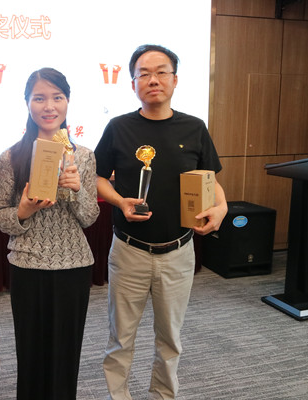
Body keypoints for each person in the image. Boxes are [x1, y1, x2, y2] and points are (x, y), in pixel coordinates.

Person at [94, 45, 228, 400]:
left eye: (161, 72)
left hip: (178, 253)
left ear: (175, 79)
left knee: (170, 339)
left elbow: (210, 179)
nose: (153, 80)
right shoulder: (118, 127)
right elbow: (98, 177)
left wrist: (222, 207)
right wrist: (120, 201)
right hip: (129, 251)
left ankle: (163, 396)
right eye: (144, 74)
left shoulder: (194, 127)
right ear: (133, 83)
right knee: (120, 338)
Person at [0, 67, 100, 399]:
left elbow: (90, 217)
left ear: (67, 102)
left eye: (57, 97)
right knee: (31, 354)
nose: (49, 106)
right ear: (27, 103)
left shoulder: (83, 156)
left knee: (66, 355)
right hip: (28, 266)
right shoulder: (10, 157)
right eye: (39, 98)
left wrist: (78, 190)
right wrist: (23, 211)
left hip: (73, 267)